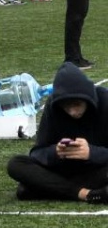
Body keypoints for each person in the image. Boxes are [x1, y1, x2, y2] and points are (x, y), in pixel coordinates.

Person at [7, 62, 108, 203]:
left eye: (77, 104)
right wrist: (56, 152)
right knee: (16, 164)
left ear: (88, 98)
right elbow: (37, 153)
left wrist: (91, 153)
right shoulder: (53, 107)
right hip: (63, 170)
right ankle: (84, 194)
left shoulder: (105, 101)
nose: (72, 112)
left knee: (26, 190)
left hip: (97, 169)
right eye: (66, 106)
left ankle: (51, 189)